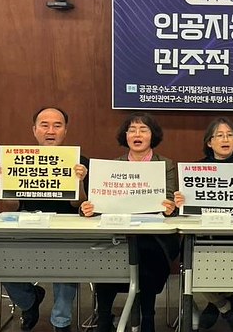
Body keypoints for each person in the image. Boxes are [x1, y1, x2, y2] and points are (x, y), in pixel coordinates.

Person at [80, 112, 180, 332]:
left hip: (153, 236)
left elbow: (171, 201)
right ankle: (103, 318)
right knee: (106, 256)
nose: (137, 134)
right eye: (132, 130)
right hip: (119, 233)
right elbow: (99, 202)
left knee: (146, 253)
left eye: (143, 130)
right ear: (125, 136)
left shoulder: (165, 165)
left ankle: (148, 318)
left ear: (152, 135)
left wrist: (170, 207)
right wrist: (88, 208)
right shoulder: (112, 166)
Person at [0, 107, 89, 332]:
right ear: (34, 130)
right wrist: (4, 185)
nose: (50, 131)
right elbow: (11, 208)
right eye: (44, 125)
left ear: (65, 131)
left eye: (57, 125)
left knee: (67, 261)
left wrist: (79, 182)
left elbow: (79, 205)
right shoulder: (16, 160)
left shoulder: (79, 162)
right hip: (27, 230)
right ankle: (29, 300)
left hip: (67, 233)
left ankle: (61, 322)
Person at [189, 117, 233, 332]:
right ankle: (226, 306)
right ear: (209, 142)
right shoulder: (197, 169)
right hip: (205, 237)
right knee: (192, 261)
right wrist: (182, 201)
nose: (225, 139)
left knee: (231, 258)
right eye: (219, 135)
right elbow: (189, 209)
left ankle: (215, 303)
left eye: (230, 135)